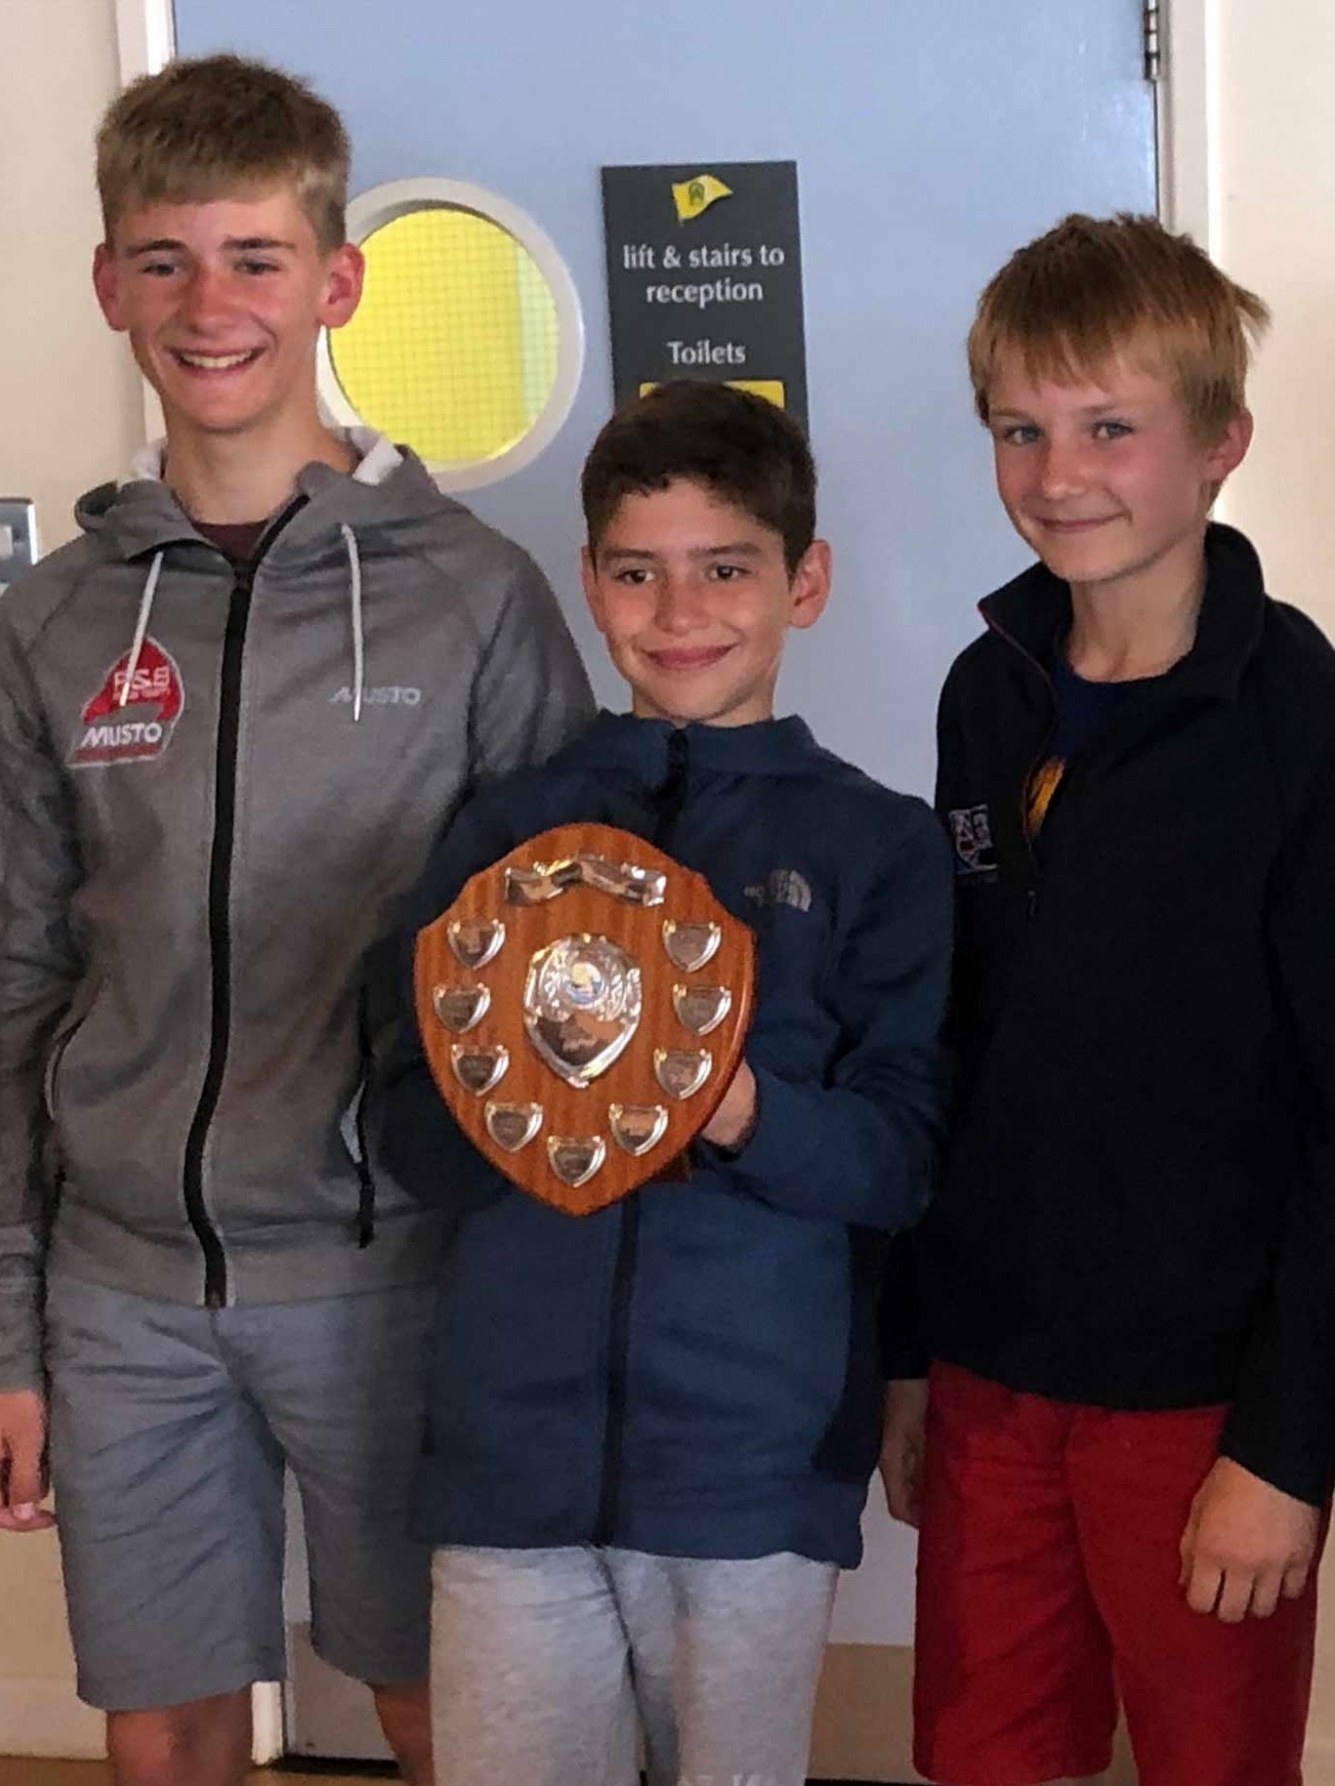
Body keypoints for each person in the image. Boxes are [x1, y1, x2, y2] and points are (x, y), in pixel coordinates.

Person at [0, 54, 592, 1786]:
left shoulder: (475, 596)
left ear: (335, 279)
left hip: (402, 1276)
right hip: (121, 1281)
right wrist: (6, 1335)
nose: (208, 303)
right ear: (107, 287)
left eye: (251, 255)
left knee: (447, 1701)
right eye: (162, 259)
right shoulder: (60, 620)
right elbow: (5, 980)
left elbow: (562, 974)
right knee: (162, 1723)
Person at [879, 212, 1335, 1786]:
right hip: (996, 1375)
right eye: (1022, 427)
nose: (1060, 472)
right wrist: (913, 1350)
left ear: (1219, 443)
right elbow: (958, 1041)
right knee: (990, 1757)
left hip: (1206, 1404)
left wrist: (1284, 1443)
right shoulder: (984, 690)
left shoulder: (1322, 741)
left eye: (1110, 427)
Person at [363, 379, 954, 1786]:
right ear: (591, 584)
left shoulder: (879, 846)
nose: (679, 608)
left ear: (803, 584)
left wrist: (725, 1103)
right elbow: (398, 1124)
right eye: (638, 570)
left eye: (726, 566)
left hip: (752, 1463)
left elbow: (901, 1156)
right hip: (512, 1458)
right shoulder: (505, 829)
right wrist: (519, 1095)